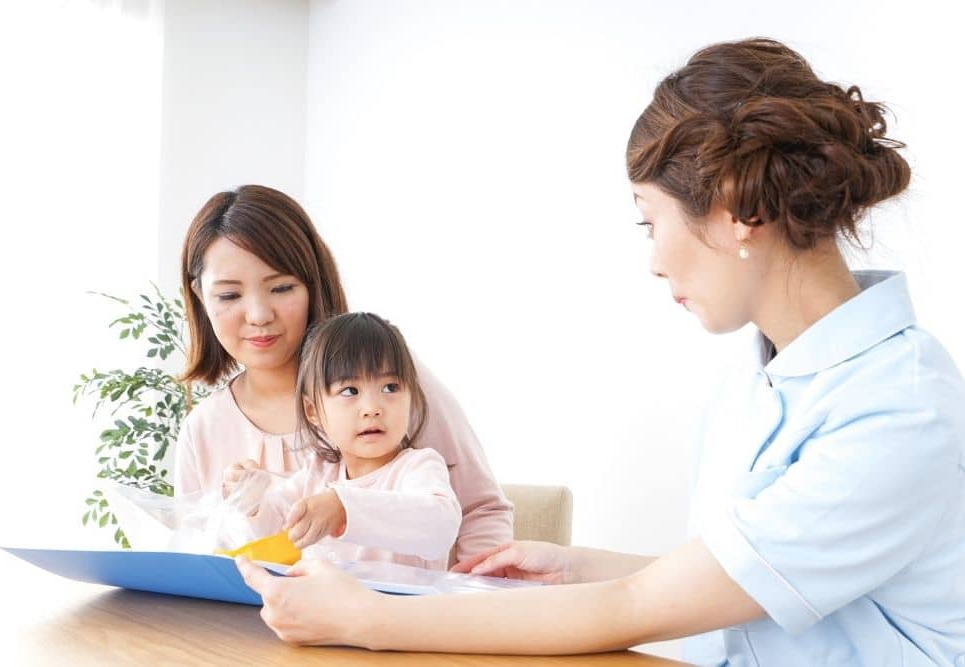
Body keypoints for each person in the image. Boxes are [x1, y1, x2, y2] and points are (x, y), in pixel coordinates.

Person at [234, 38, 965, 663]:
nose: (653, 261)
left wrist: (369, 620)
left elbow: (644, 606)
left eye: (650, 222)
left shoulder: (899, 403)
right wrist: (574, 567)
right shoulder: (762, 375)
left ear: (745, 208)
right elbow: (744, 583)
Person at [174, 184, 512, 564]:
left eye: (281, 287)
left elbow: (479, 512)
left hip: (410, 618)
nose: (258, 315)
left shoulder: (389, 383)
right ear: (201, 297)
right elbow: (204, 554)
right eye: (229, 296)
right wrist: (247, 501)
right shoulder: (203, 430)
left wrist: (474, 609)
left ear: (313, 283)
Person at [224, 312, 461, 570]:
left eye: (390, 387)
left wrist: (343, 508)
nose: (372, 408)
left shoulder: (418, 467)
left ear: (411, 397)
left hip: (400, 610)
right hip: (323, 609)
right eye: (350, 391)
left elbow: (440, 527)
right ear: (313, 411)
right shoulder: (315, 474)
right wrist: (250, 495)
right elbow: (269, 526)